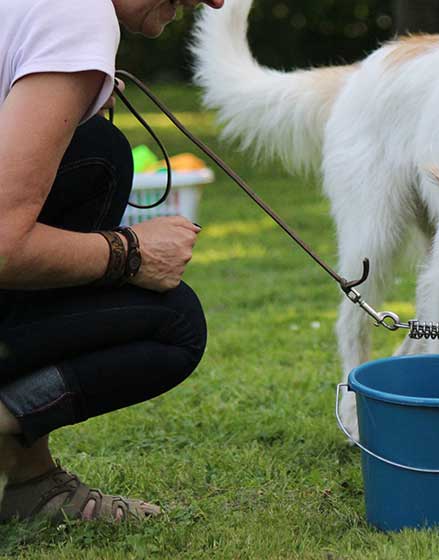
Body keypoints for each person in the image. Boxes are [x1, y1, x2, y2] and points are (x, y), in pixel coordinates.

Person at [0, 0, 224, 523]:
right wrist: (130, 252)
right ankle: (27, 478)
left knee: (94, 153)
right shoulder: (78, 13)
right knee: (173, 323)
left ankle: (28, 481)